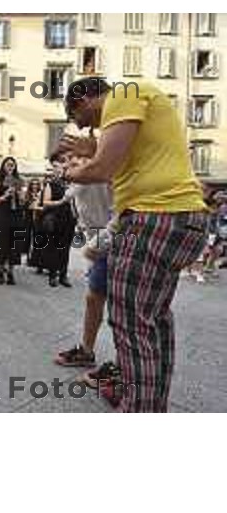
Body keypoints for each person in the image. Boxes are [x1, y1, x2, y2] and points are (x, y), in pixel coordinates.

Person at [63, 77, 208, 413]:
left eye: (79, 115)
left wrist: (68, 174)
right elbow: (126, 174)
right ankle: (151, 405)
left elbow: (101, 169)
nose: (84, 126)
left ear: (85, 97)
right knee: (153, 321)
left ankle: (138, 409)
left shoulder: (124, 94)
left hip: (154, 218)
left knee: (132, 324)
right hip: (175, 217)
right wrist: (95, 152)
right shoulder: (135, 105)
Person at [54, 164, 113, 367]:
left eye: (70, 159)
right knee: (94, 297)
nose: (65, 164)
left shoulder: (89, 177)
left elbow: (122, 213)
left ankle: (124, 367)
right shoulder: (85, 179)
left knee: (106, 301)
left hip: (110, 240)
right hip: (101, 240)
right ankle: (87, 351)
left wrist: (98, 243)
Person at [33, 153, 76, 287]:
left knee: (66, 249)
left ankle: (63, 275)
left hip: (69, 218)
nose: (60, 169)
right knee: (54, 248)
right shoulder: (51, 184)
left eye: (62, 166)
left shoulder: (72, 184)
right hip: (56, 218)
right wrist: (61, 201)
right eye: (56, 167)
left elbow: (76, 202)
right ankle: (53, 275)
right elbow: (45, 203)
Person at [0, 157, 24, 285]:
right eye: (8, 165)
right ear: (3, 166)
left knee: (14, 244)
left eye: (13, 165)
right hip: (2, 215)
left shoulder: (18, 181)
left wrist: (19, 194)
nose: (10, 167)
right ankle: (0, 271)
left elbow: (23, 201)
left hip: (16, 215)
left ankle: (11, 272)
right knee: (1, 244)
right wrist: (5, 196)